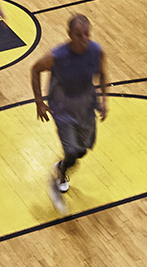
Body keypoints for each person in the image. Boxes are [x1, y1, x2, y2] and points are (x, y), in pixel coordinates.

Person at [32, 14, 109, 213]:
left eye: (86, 34)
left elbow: (102, 74)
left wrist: (104, 100)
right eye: (79, 34)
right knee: (72, 152)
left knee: (82, 150)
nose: (84, 38)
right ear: (69, 34)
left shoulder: (97, 51)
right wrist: (39, 102)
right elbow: (35, 69)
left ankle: (61, 166)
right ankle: (59, 176)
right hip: (62, 110)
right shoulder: (57, 56)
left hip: (86, 108)